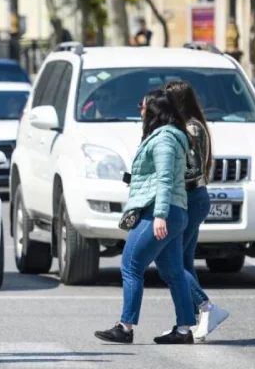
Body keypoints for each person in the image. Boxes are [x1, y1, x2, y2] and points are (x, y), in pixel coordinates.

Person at [95, 88, 195, 345]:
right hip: (173, 211)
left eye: (142, 105)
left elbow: (164, 179)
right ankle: (184, 330)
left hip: (160, 212)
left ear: (154, 110)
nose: (139, 110)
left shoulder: (163, 140)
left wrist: (159, 215)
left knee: (131, 265)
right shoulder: (169, 137)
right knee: (173, 272)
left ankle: (125, 327)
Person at [164, 80, 230, 340]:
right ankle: (188, 323)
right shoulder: (185, 125)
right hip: (191, 198)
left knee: (173, 262)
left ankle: (207, 308)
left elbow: (196, 169)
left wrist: (168, 174)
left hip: (192, 199)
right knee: (185, 261)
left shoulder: (192, 127)